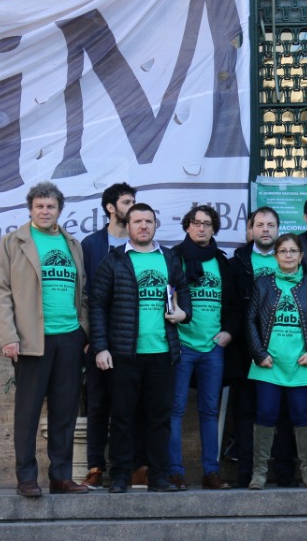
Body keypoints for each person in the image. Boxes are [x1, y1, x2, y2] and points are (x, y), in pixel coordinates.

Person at [0, 181, 90, 497]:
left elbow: (83, 292)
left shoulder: (72, 243)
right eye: (39, 206)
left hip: (69, 339)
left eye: (51, 206)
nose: (45, 211)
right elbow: (1, 291)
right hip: (33, 340)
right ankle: (27, 478)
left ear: (60, 210)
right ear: (30, 209)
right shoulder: (14, 242)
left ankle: (61, 477)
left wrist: (83, 331)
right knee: (29, 412)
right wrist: (9, 335)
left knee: (65, 411)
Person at [89, 203, 191, 493]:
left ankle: (158, 476)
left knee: (159, 418)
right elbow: (97, 305)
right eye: (137, 221)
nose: (143, 226)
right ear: (128, 226)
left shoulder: (169, 258)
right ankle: (120, 476)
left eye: (148, 221)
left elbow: (182, 291)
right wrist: (100, 347)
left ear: (155, 225)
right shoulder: (114, 260)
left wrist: (185, 313)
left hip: (162, 353)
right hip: (123, 354)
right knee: (121, 417)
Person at [246, 233, 307, 489]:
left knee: (303, 416)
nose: (289, 256)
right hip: (268, 364)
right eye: (284, 251)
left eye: (294, 251)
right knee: (266, 414)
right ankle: (259, 473)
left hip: (301, 364)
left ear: (301, 256)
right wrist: (259, 353)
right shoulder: (263, 284)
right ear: (276, 256)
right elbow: (250, 320)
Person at [169, 204, 239, 491]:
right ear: (187, 226)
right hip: (183, 345)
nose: (201, 228)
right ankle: (175, 472)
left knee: (210, 412)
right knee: (175, 410)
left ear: (214, 228)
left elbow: (235, 304)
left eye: (207, 223)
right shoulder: (174, 257)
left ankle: (211, 472)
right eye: (196, 223)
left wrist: (228, 333)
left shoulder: (222, 262)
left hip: (213, 348)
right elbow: (165, 296)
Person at [225, 206, 289, 486]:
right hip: (245, 350)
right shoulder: (237, 261)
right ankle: (246, 472)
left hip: (285, 350)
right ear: (250, 229)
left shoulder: (290, 259)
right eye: (260, 224)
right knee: (246, 413)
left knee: (282, 413)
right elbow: (230, 304)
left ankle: (284, 472)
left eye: (271, 225)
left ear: (278, 229)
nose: (265, 229)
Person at [79, 182, 137, 489]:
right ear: (110, 208)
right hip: (99, 339)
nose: (133, 207)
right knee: (98, 404)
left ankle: (129, 466)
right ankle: (95, 466)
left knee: (130, 404)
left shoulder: (141, 244)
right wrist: (90, 337)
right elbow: (85, 295)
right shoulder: (90, 245)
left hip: (132, 340)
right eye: (127, 202)